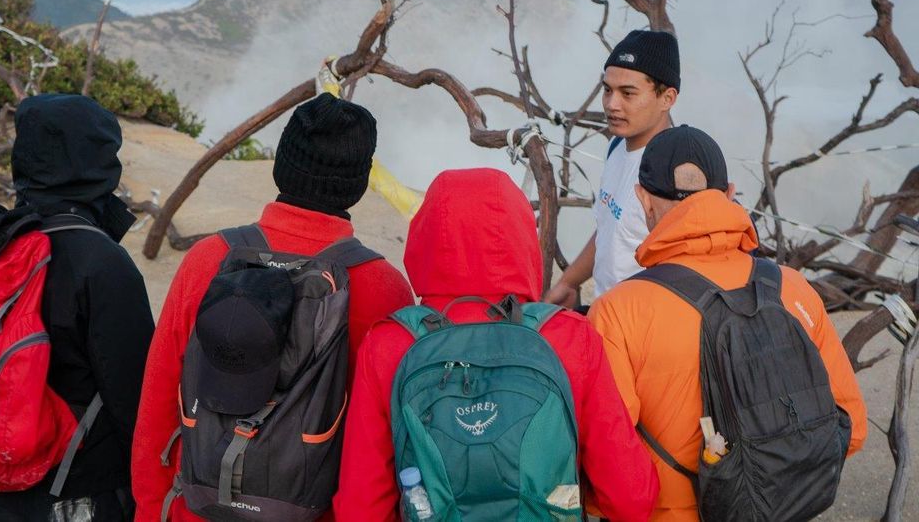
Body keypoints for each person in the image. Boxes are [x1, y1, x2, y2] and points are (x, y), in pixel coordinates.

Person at [132, 93, 414, 521]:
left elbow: (156, 403)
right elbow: (378, 446)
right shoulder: (383, 287)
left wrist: (152, 510)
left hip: (199, 508)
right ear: (359, 183)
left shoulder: (208, 260)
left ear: (281, 163)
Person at [333, 168, 659, 522]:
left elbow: (359, 509)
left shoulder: (389, 344)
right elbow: (632, 499)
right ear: (523, 236)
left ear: (423, 238)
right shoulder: (567, 337)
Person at [588, 125, 867, 521]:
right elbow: (851, 427)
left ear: (642, 198)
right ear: (730, 194)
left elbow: (613, 472)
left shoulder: (618, 311)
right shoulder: (793, 287)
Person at [0, 94, 155, 521]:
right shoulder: (101, 263)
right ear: (96, 162)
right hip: (85, 490)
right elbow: (137, 399)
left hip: (8, 481)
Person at [547, 29, 679, 307]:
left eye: (627, 93)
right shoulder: (617, 147)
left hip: (640, 325)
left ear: (667, 98)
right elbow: (610, 230)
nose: (611, 104)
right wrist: (568, 282)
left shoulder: (676, 172)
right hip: (604, 316)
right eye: (607, 90)